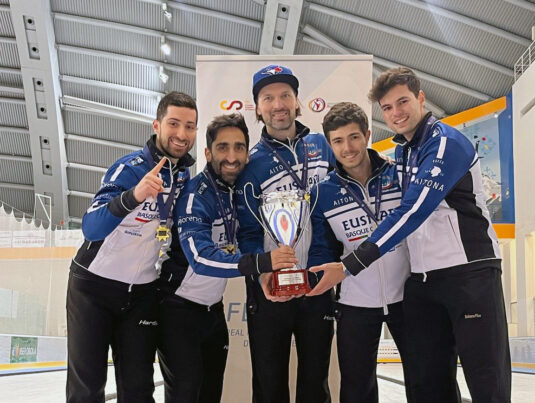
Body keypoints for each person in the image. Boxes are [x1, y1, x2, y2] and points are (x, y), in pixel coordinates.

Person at [309, 67, 511, 403]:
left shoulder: (445, 143)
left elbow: (414, 211)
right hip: (424, 282)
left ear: (420, 98)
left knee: (486, 378)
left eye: (402, 102)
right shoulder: (404, 152)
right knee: (429, 383)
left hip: (470, 273)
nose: (396, 113)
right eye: (387, 108)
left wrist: (348, 266)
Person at [66, 92, 198, 403]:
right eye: (174, 124)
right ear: (157, 125)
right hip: (93, 287)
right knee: (87, 388)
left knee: (139, 390)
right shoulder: (128, 168)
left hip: (141, 293)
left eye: (190, 126)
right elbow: (91, 226)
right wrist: (133, 197)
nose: (182, 134)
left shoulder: (184, 178)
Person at [156, 113, 297, 403]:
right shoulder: (196, 194)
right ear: (208, 153)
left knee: (210, 395)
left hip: (213, 313)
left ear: (247, 152)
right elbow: (201, 259)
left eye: (239, 147)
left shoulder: (239, 191)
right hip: (177, 311)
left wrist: (264, 273)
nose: (231, 157)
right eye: (222, 148)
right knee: (185, 394)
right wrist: (263, 262)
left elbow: (246, 240)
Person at [235, 64, 337, 403]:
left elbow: (334, 211)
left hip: (317, 283)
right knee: (268, 384)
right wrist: (262, 275)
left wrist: (324, 266)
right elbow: (247, 229)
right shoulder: (250, 163)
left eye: (285, 95)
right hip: (270, 289)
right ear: (257, 108)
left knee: (315, 383)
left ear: (297, 102)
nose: (278, 104)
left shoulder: (324, 148)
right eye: (268, 98)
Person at [308, 102, 412, 403]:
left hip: (409, 296)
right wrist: (314, 277)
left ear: (367, 135)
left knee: (426, 378)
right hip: (355, 302)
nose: (347, 147)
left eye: (353, 137)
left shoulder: (398, 176)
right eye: (338, 141)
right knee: (356, 389)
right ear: (330, 145)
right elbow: (323, 248)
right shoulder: (323, 193)